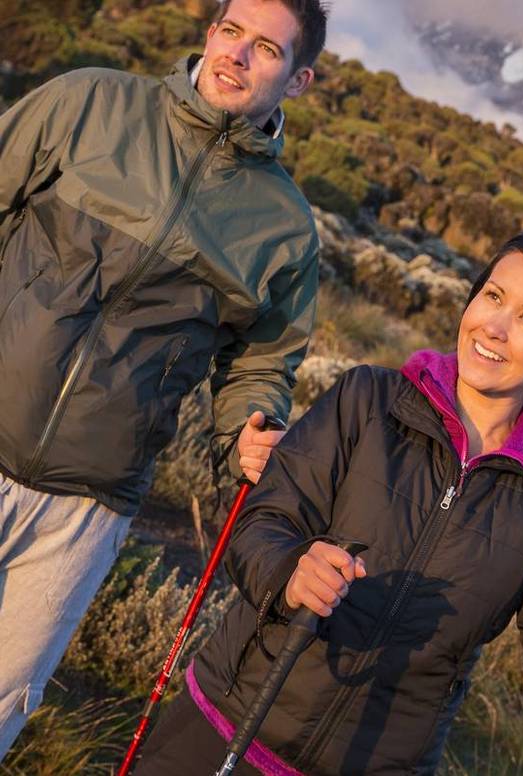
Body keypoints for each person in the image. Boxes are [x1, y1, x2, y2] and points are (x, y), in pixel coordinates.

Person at [135, 228, 523, 775]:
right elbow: (262, 523)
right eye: (493, 296)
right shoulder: (367, 401)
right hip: (220, 731)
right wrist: (290, 570)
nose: (494, 327)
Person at [0, 0, 329, 757]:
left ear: (298, 79)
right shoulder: (88, 102)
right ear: (210, 33)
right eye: (230, 32)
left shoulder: (284, 229)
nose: (236, 55)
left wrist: (250, 430)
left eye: (266, 49)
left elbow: (259, 365)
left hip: (83, 511)